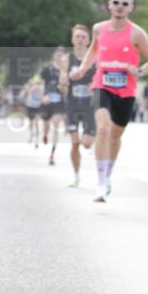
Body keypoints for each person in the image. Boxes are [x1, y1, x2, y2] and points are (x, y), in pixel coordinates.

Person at [70, 0, 148, 202]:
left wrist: (138, 71)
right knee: (102, 129)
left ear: (131, 8)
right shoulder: (99, 29)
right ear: (109, 5)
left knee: (115, 137)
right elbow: (93, 50)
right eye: (116, 2)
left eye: (125, 4)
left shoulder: (137, 34)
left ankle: (108, 173)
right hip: (101, 85)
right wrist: (83, 68)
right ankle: (100, 183)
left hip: (126, 91)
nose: (120, 7)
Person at [60, 25, 97, 187]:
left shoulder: (95, 58)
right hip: (72, 105)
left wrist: (94, 86)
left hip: (90, 106)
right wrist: (65, 80)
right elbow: (62, 80)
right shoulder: (66, 59)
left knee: (87, 144)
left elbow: (101, 77)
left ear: (89, 41)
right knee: (74, 143)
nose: (81, 40)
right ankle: (76, 176)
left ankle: (93, 140)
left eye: (84, 37)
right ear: (72, 40)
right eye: (78, 37)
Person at [40, 48, 66, 165]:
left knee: (55, 126)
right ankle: (45, 134)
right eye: (57, 55)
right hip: (47, 100)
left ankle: (52, 154)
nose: (59, 58)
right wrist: (42, 96)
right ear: (53, 56)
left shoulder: (66, 70)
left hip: (59, 101)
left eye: (61, 56)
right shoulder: (47, 68)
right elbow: (39, 82)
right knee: (46, 124)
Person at [21, 73, 44, 146]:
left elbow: (41, 95)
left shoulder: (41, 87)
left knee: (36, 122)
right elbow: (26, 93)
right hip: (30, 105)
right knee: (31, 122)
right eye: (36, 82)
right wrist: (29, 87)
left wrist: (36, 87)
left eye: (38, 82)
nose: (37, 84)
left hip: (37, 106)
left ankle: (37, 138)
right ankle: (31, 135)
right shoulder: (30, 87)